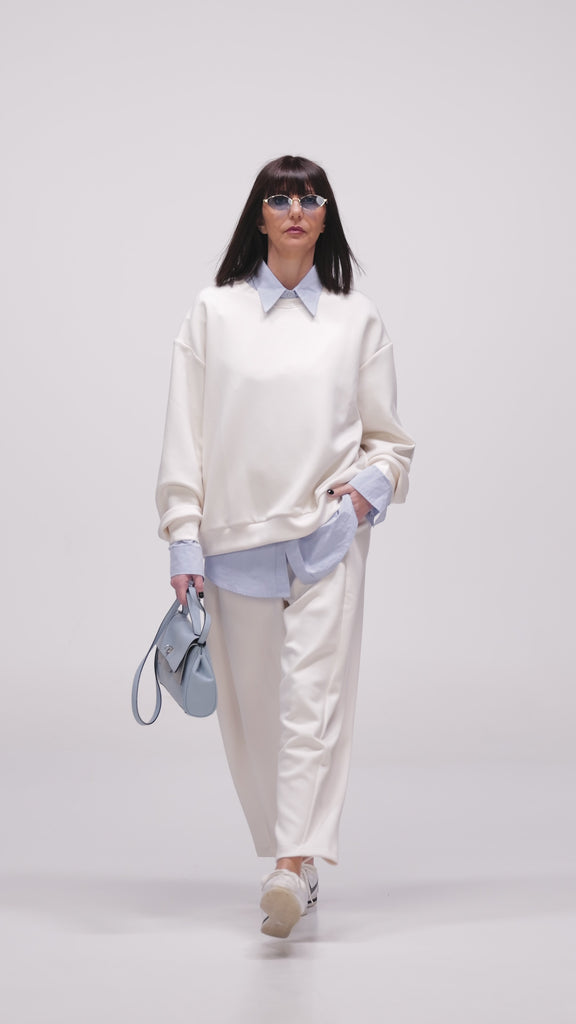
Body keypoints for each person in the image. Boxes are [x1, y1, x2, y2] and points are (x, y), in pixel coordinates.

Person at [156, 155, 414, 938]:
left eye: (310, 197)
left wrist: (361, 499)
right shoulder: (213, 313)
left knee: (314, 706)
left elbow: (390, 444)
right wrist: (183, 538)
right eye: (280, 197)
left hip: (327, 541)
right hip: (235, 544)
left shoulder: (356, 319)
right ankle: (290, 858)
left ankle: (290, 866)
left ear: (326, 215)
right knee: (256, 719)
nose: (296, 209)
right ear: (259, 215)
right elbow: (185, 434)